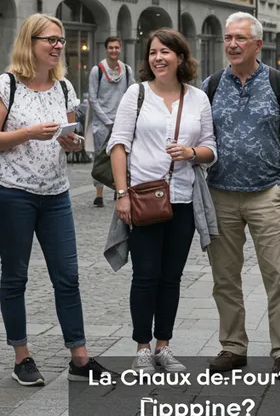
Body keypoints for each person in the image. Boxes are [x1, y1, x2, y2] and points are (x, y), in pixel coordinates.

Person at [0, 13, 113, 387]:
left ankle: (79, 358)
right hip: (13, 194)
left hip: (56, 194)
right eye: (50, 40)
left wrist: (73, 142)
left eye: (60, 40)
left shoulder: (63, 87)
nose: (57, 46)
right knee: (15, 277)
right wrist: (28, 133)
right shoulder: (6, 86)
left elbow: (70, 136)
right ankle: (22, 356)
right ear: (30, 42)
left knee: (67, 277)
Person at [107, 29, 217, 374]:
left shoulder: (198, 98)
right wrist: (122, 194)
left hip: (183, 200)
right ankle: (142, 347)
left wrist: (191, 152)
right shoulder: (136, 94)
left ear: (181, 58)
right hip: (142, 199)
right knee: (145, 275)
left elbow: (212, 150)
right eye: (153, 52)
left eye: (166, 52)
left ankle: (164, 346)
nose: (158, 58)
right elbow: (118, 145)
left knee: (171, 277)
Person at [201, 12, 280, 379]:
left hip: (266, 192)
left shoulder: (278, 82)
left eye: (240, 38)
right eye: (228, 38)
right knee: (225, 277)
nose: (232, 44)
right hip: (221, 193)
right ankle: (233, 347)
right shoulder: (211, 85)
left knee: (277, 276)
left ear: (257, 44)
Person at [87, 36, 134, 206]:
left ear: (120, 49)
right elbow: (93, 98)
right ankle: (99, 194)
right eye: (111, 48)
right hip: (102, 123)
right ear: (106, 49)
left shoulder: (127, 70)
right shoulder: (97, 70)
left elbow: (132, 93)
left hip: (121, 122)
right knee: (101, 158)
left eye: (116, 47)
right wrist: (106, 120)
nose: (114, 50)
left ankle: (118, 189)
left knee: (122, 155)